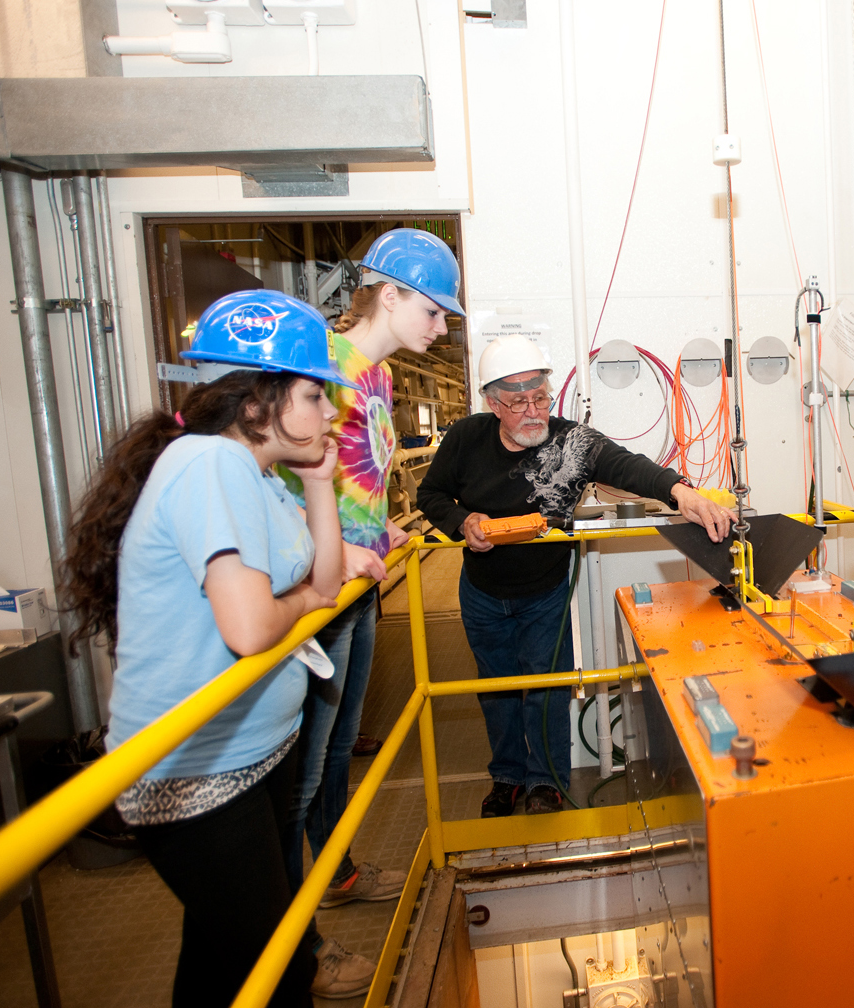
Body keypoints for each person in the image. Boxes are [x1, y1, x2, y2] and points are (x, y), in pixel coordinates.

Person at [59, 290, 355, 1008]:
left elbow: (324, 578)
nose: (328, 414)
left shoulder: (255, 475)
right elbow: (251, 627)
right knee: (276, 972)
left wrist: (318, 485)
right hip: (195, 776)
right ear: (258, 402)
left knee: (221, 962)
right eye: (314, 395)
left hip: (252, 752)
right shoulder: (207, 466)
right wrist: (306, 606)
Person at [416, 334, 735, 816]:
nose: (533, 411)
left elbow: (628, 466)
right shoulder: (465, 438)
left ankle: (545, 781)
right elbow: (431, 495)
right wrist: (463, 523)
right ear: (492, 403)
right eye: (518, 401)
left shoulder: (573, 442)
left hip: (545, 592)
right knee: (495, 687)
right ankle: (506, 778)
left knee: (547, 687)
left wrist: (681, 493)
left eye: (540, 397)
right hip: (482, 590)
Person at [274, 227, 467, 996]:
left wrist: (373, 530)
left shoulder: (380, 377)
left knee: (335, 749)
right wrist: (332, 547)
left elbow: (356, 477)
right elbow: (284, 479)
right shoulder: (319, 365)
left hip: (359, 578)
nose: (443, 327)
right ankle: (303, 948)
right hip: (315, 586)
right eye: (434, 310)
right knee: (299, 768)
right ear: (388, 294)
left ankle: (340, 868)